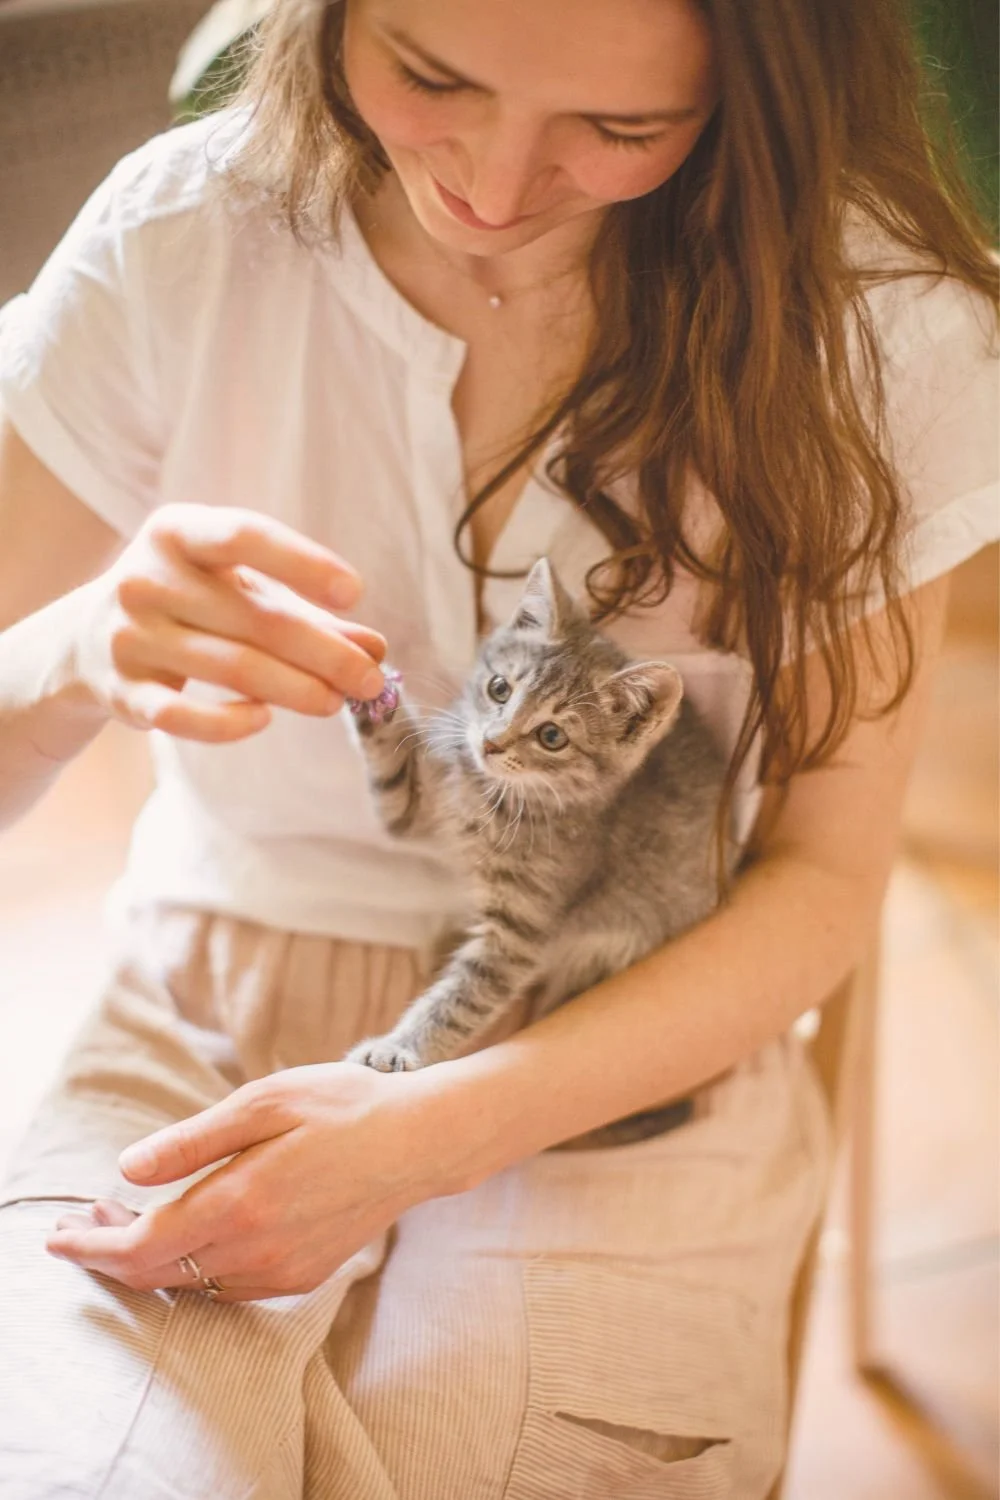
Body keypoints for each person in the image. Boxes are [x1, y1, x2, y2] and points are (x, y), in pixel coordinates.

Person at [0, 0, 995, 1495]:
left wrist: (428, 1130)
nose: (486, 182)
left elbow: (821, 881)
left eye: (620, 130)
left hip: (625, 1051)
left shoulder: (881, 330)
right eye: (428, 75)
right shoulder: (186, 234)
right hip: (207, 1006)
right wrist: (74, 660)